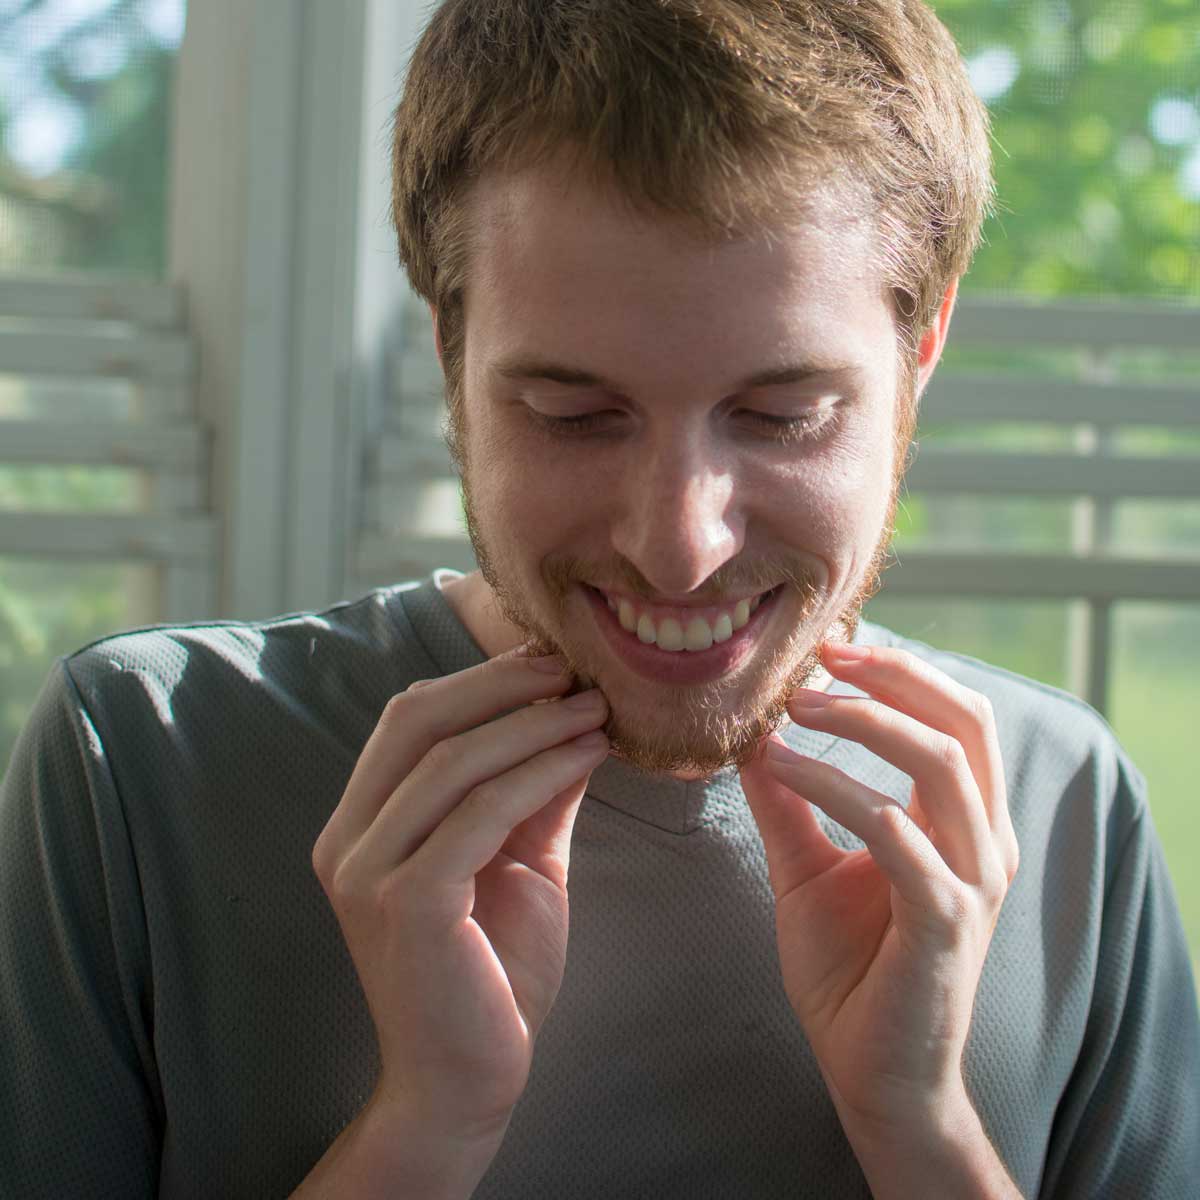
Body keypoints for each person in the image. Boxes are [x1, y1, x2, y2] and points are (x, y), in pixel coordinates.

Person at [2, 0, 1197, 1195]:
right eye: (573, 416)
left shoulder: (1066, 810)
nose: (679, 548)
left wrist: (924, 1127)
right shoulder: (144, 763)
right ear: (449, 354)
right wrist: (423, 1127)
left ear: (921, 350)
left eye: (782, 416)